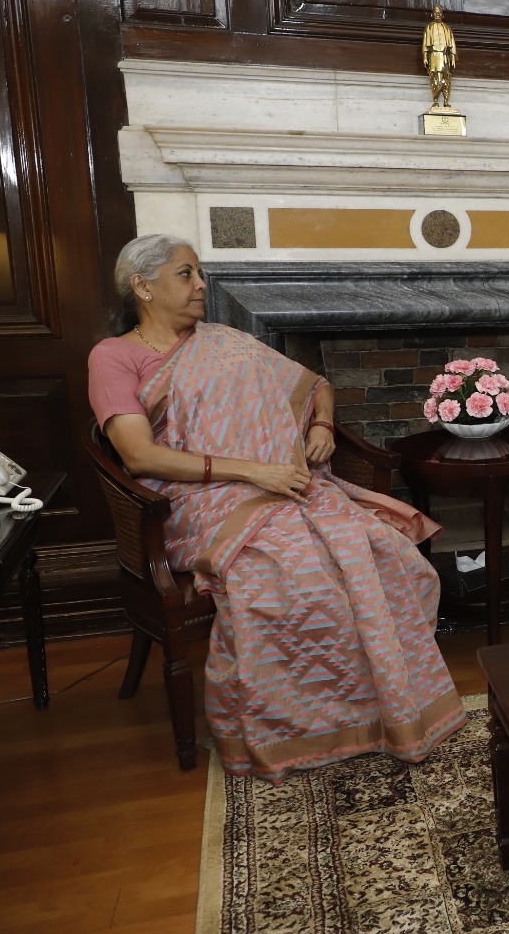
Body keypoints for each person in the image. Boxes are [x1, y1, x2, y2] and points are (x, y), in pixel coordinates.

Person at [87, 234, 466, 783]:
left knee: (386, 555)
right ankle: (303, 730)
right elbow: (139, 454)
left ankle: (382, 712)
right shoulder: (114, 357)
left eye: (199, 274)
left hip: (284, 487)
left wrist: (319, 425)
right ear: (142, 286)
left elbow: (315, 385)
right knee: (294, 574)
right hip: (197, 503)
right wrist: (252, 470)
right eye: (186, 275)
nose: (201, 286)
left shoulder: (223, 340)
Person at [421, 5, 457, 109]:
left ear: (443, 15)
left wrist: (453, 56)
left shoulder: (446, 28)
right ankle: (435, 99)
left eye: (439, 13)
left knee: (446, 78)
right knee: (435, 78)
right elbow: (425, 45)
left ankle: (446, 101)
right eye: (436, 13)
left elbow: (452, 44)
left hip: (445, 55)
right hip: (434, 55)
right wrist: (424, 57)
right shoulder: (429, 27)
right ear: (432, 15)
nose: (438, 14)